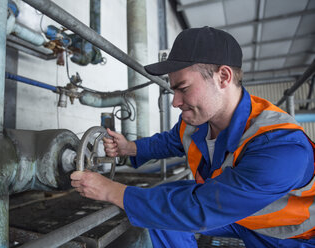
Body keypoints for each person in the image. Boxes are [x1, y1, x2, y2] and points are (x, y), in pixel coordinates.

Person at [71, 26, 315, 247]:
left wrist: (111, 191)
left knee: (172, 206)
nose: (175, 102)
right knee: (161, 209)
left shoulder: (281, 148)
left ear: (223, 77)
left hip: (286, 234)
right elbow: (170, 141)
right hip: (236, 213)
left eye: (183, 89)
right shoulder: (197, 120)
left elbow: (202, 208)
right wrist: (129, 148)